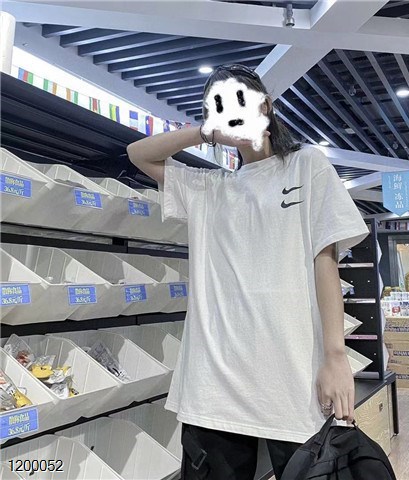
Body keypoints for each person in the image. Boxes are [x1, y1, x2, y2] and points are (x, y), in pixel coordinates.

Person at [127, 64, 369, 480]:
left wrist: (335, 356)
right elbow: (139, 154)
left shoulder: (306, 166)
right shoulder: (210, 188)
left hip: (293, 382)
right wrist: (206, 133)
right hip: (213, 387)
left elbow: (325, 260)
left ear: (266, 106)